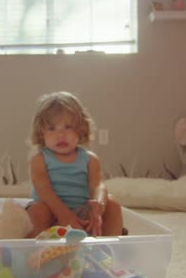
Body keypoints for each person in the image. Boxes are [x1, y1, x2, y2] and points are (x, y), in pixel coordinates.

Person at [26, 91, 124, 238]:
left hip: (82, 215)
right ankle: (39, 251)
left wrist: (99, 205)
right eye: (52, 128)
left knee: (113, 204)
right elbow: (43, 188)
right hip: (51, 214)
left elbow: (97, 185)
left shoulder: (90, 159)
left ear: (81, 129)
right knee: (37, 211)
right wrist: (64, 215)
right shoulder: (40, 159)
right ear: (41, 134)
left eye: (68, 127)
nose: (61, 135)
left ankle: (107, 249)